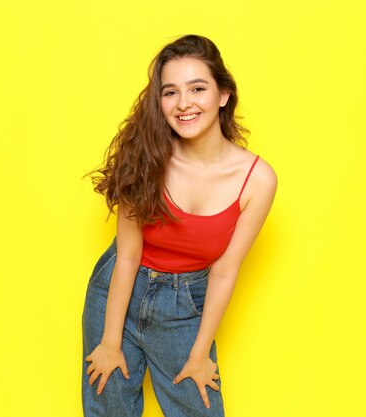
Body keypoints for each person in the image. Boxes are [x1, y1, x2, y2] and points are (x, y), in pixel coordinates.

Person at [82, 34, 277, 417]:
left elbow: (224, 270)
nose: (183, 103)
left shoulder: (258, 180)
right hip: (119, 288)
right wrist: (109, 341)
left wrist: (201, 351)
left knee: (198, 406)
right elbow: (127, 256)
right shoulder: (146, 156)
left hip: (185, 304)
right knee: (109, 404)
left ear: (223, 95)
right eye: (170, 92)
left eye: (198, 88)